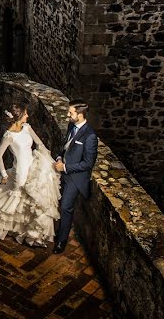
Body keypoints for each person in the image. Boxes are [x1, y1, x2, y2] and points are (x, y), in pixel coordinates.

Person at [0, 105, 59, 247]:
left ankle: (30, 234)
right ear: (18, 117)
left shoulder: (27, 128)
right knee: (19, 199)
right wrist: (4, 175)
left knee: (32, 200)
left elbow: (39, 143)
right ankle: (18, 229)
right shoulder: (9, 135)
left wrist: (42, 158)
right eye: (25, 114)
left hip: (33, 167)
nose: (28, 116)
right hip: (20, 171)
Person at [53, 99, 98, 254]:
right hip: (62, 170)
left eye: (70, 112)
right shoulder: (72, 126)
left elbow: (87, 164)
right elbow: (66, 146)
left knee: (66, 207)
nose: (67, 115)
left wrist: (65, 167)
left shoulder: (90, 136)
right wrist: (59, 157)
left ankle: (61, 241)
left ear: (80, 114)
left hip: (75, 177)